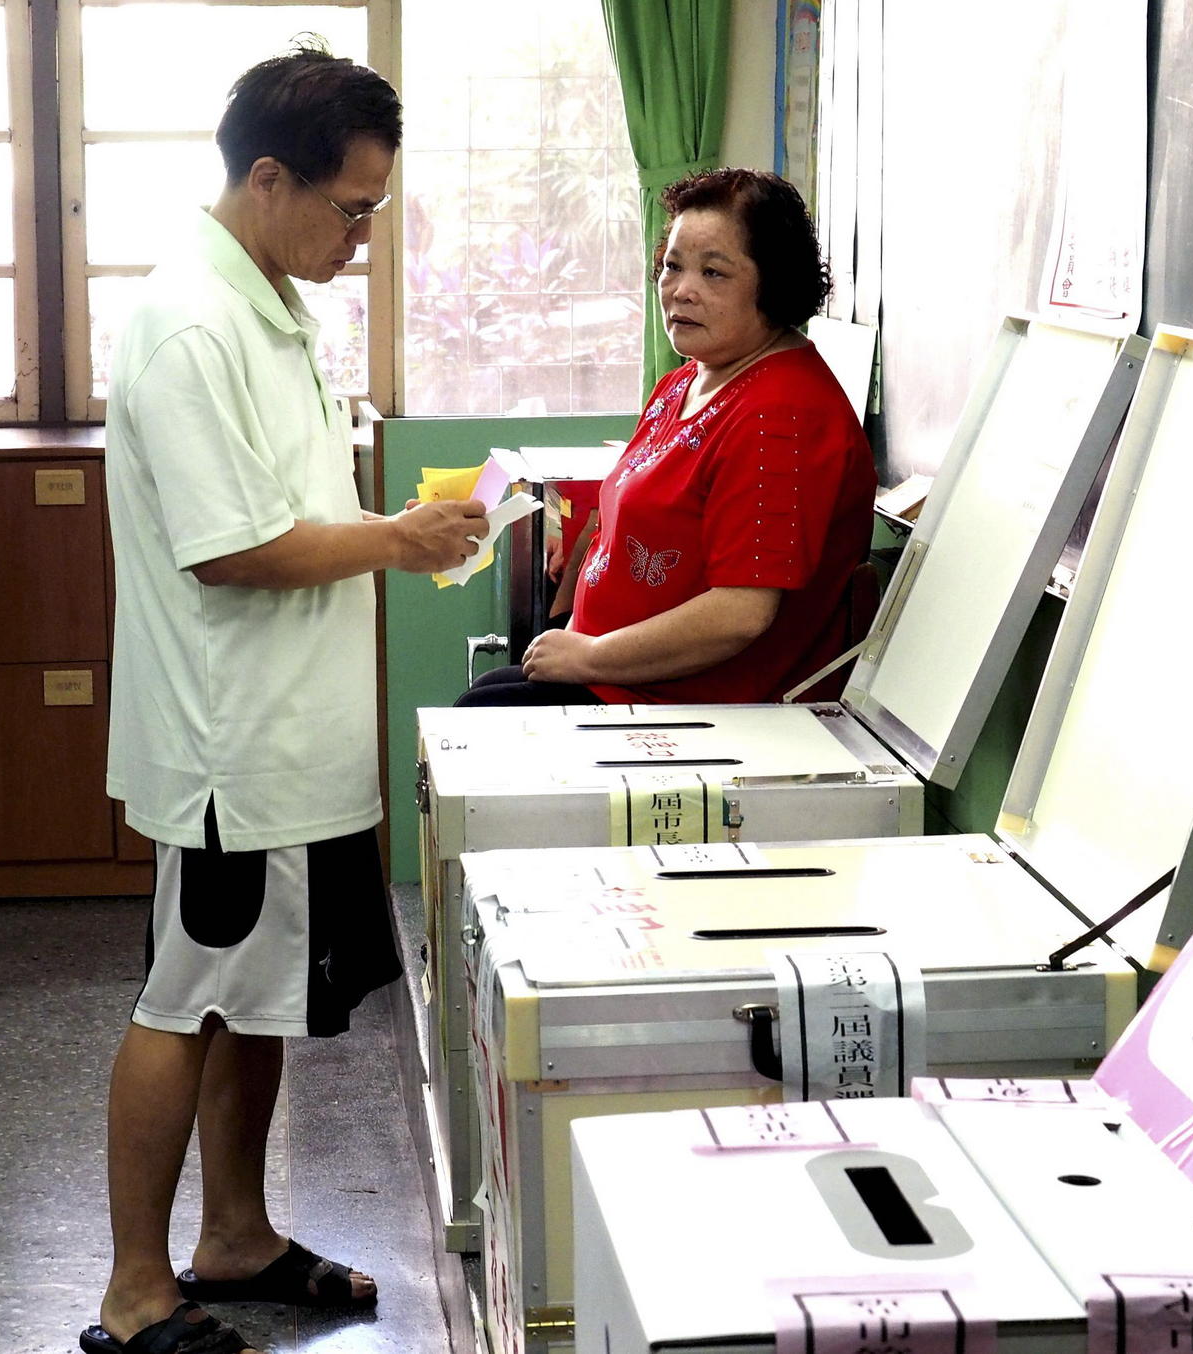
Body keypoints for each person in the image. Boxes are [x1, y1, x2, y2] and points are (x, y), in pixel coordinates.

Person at [86, 44, 484, 1354]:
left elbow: (288, 512)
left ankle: (236, 1235)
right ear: (268, 177)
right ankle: (136, 1289)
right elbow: (230, 546)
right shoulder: (194, 320)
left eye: (373, 209)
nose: (359, 237)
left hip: (289, 736)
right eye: (349, 208)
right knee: (188, 998)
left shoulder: (271, 297)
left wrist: (386, 529)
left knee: (254, 997)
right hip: (229, 745)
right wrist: (398, 539)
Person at [456, 167, 876, 708]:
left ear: (774, 281)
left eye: (714, 273)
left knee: (485, 714)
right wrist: (569, 620)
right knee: (488, 699)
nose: (682, 290)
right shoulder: (689, 377)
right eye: (672, 266)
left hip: (696, 700)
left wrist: (587, 656)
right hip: (619, 669)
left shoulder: (782, 416)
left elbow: (740, 614)